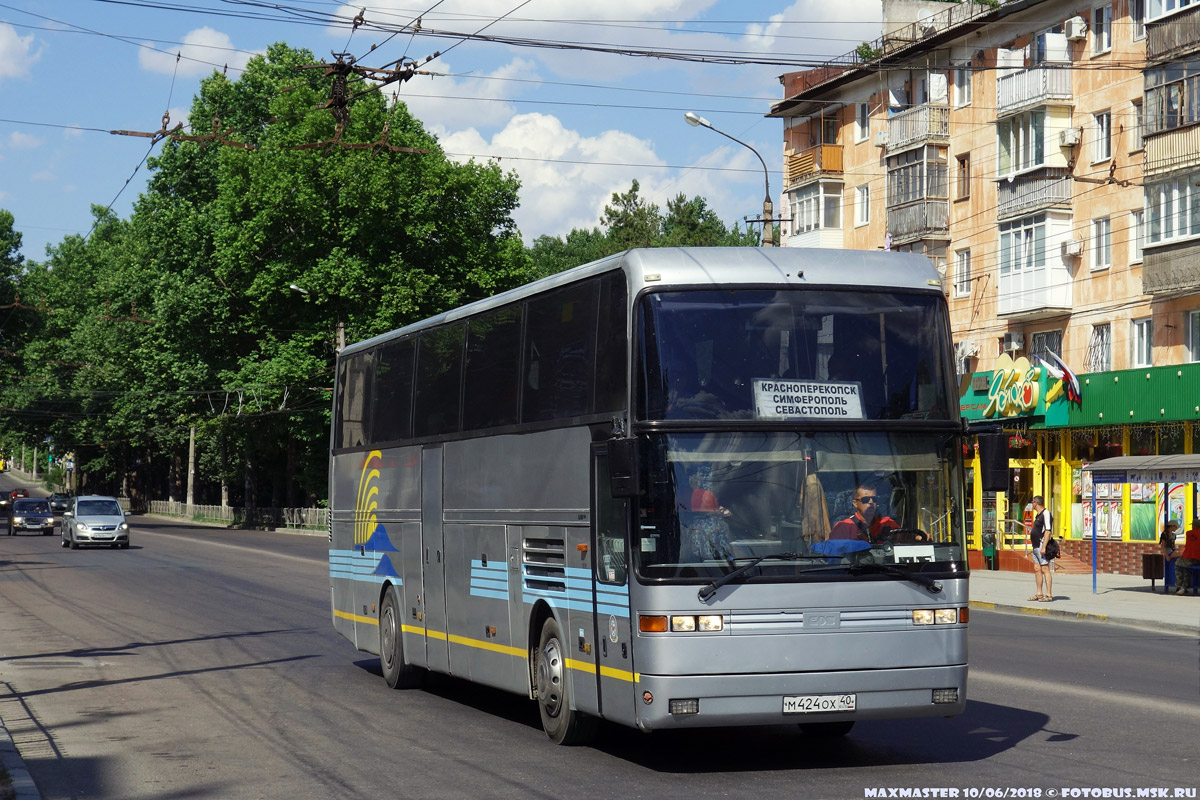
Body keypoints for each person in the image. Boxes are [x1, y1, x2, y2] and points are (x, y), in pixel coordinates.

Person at [830, 485, 899, 543]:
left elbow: (904, 544)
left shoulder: (888, 523)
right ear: (855, 503)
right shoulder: (843, 527)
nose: (871, 502)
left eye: (874, 499)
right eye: (865, 499)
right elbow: (833, 554)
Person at [1028, 495, 1053, 602]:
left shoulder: (1046, 513)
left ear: (1036, 503)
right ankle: (1039, 593)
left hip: (1041, 545)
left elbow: (1048, 530)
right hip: (1035, 545)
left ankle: (1048, 594)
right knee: (1037, 569)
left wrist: (1044, 547)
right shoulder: (1038, 515)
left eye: (1032, 502)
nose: (1032, 504)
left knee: (1045, 568)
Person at [1173, 518, 1200, 594]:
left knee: (1177, 564)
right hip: (1198, 559)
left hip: (1188, 558)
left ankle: (1179, 585)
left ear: (1194, 526)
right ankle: (1184, 587)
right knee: (1187, 569)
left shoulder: (1188, 533)